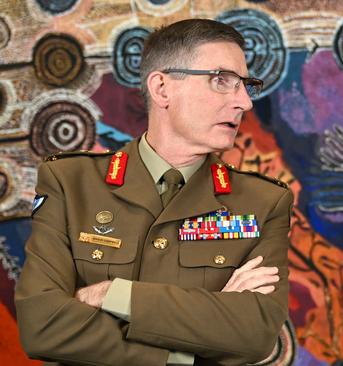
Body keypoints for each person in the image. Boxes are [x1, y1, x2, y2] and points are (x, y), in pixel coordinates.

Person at [15, 19, 293, 366]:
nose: (244, 102)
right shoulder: (70, 183)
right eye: (222, 80)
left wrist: (112, 294)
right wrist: (186, 352)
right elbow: (44, 326)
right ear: (162, 88)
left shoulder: (263, 203)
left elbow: (255, 332)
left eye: (245, 85)